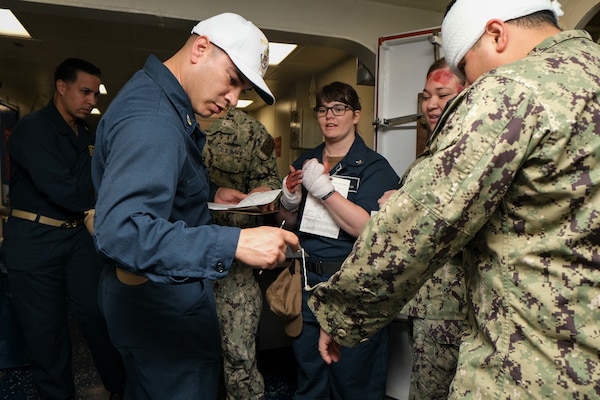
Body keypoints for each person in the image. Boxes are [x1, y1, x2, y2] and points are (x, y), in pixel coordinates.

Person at [309, 0, 600, 398]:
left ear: (496, 35)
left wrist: (339, 312)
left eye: (465, 69)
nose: (471, 82)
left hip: (531, 365)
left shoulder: (514, 88)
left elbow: (419, 224)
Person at [91, 12, 299, 400]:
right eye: (232, 80)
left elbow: (157, 198)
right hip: (162, 310)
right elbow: (121, 232)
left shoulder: (161, 103)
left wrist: (209, 195)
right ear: (200, 48)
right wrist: (235, 244)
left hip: (153, 303)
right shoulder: (154, 119)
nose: (234, 99)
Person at [4, 58, 126, 399]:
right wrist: (111, 208)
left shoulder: (89, 134)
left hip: (77, 237)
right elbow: (58, 186)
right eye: (84, 91)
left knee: (98, 315)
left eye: (95, 93)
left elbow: (110, 178)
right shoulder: (33, 129)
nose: (92, 100)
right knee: (47, 332)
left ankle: (121, 389)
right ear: (61, 87)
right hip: (35, 241)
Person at [277, 81, 399, 399]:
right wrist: (289, 201)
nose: (330, 116)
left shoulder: (374, 167)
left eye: (339, 108)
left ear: (356, 115)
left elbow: (369, 230)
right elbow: (288, 224)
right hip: (307, 282)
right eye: (323, 109)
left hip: (351, 285)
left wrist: (324, 190)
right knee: (310, 376)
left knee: (354, 380)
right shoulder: (307, 161)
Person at [378, 58, 467, 400]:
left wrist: (402, 207)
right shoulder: (429, 156)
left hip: (453, 308)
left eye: (442, 94)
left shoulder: (471, 152)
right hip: (429, 304)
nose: (431, 104)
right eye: (426, 96)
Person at [199, 106, 281, 400]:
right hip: (177, 263)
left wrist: (262, 193)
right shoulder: (168, 121)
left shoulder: (250, 131)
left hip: (233, 267)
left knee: (240, 356)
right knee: (182, 358)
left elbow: (271, 180)